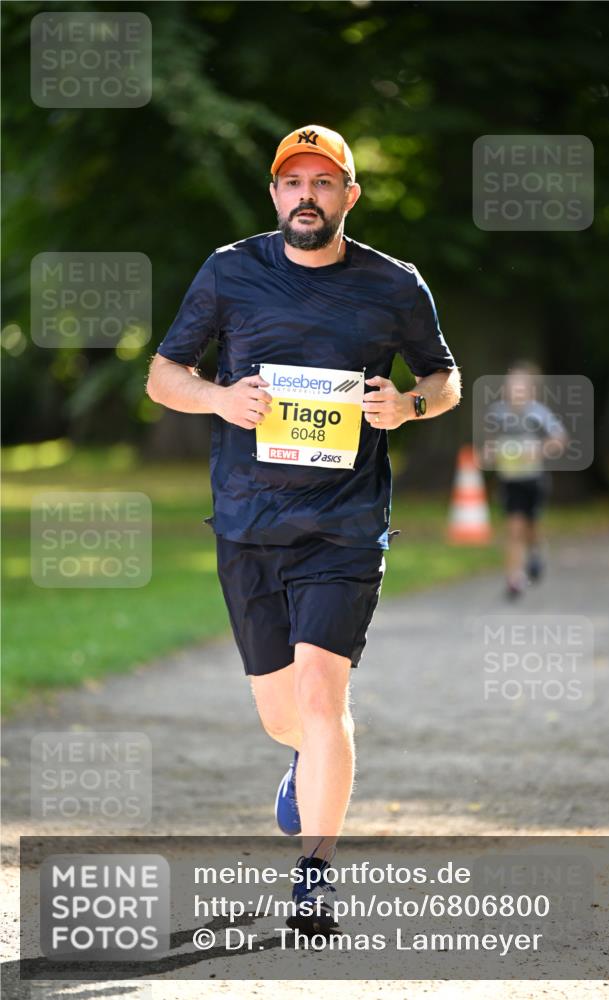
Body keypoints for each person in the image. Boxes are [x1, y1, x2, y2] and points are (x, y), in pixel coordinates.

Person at [146, 124, 461, 933]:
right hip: (248, 523)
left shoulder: (394, 285)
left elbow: (443, 378)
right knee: (283, 715)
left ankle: (316, 874)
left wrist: (407, 404)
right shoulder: (229, 271)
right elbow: (163, 374)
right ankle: (301, 762)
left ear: (349, 196)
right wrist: (218, 398)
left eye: (324, 183)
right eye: (294, 183)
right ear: (276, 196)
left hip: (344, 527)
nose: (307, 196)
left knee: (323, 699)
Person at [484, 362, 567, 600]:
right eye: (512, 386)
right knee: (514, 528)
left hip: (534, 478)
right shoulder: (497, 413)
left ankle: (536, 552)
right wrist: (490, 453)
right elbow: (491, 442)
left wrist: (539, 449)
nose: (515, 391)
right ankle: (514, 579)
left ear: (531, 390)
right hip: (510, 480)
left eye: (521, 387)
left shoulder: (538, 414)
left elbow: (559, 439)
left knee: (531, 528)